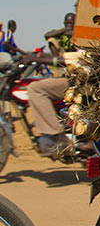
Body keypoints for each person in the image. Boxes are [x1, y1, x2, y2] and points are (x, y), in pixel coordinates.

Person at [24, 12, 77, 157]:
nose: (68, 26)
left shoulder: (79, 35)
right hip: (69, 76)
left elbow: (65, 61)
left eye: (71, 23)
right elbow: (50, 38)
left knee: (36, 89)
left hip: (77, 80)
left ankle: (55, 135)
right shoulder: (64, 37)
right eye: (66, 23)